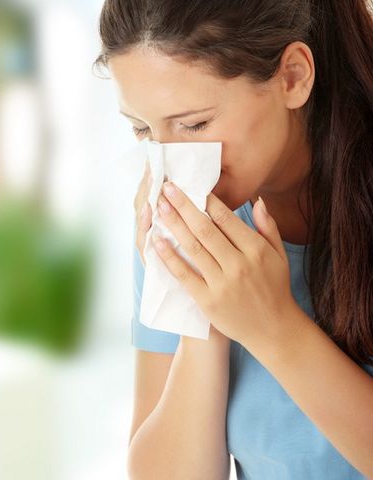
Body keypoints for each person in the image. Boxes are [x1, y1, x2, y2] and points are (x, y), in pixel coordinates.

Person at [94, 1, 373, 479]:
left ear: (292, 77)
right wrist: (204, 310)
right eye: (143, 129)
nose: (170, 166)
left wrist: (274, 328)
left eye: (195, 125)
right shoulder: (176, 225)